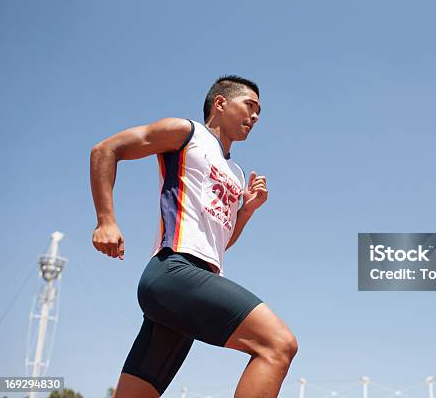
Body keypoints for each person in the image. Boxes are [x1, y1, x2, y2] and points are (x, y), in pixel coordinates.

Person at [90, 75, 298, 398]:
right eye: (250, 106)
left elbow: (220, 243)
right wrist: (106, 220)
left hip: (189, 292)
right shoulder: (187, 133)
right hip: (173, 272)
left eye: (259, 112)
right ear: (221, 103)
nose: (256, 117)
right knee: (278, 344)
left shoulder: (236, 174)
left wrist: (247, 210)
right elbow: (106, 149)